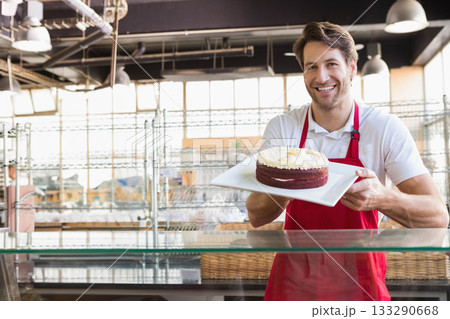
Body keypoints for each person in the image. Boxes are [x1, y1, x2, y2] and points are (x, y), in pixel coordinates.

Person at [246, 21, 449, 301]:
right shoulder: (285, 128)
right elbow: (256, 215)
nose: (321, 76)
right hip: (293, 286)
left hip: (360, 284)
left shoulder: (384, 128)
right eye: (311, 66)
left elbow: (438, 217)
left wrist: (382, 198)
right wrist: (290, 179)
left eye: (331, 64)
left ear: (352, 67)